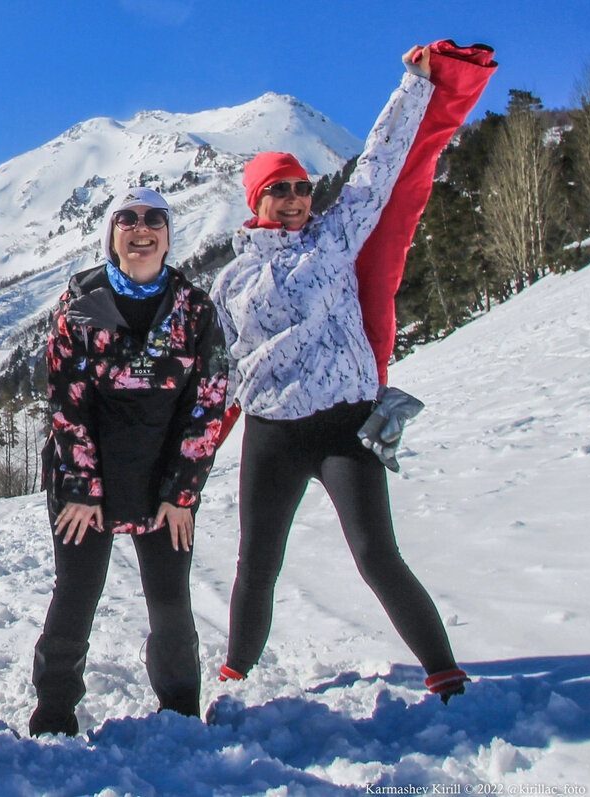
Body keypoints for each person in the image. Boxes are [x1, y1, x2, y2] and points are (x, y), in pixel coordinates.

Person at [210, 47, 470, 703]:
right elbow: (219, 366)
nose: (297, 198)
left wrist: (415, 84)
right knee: (257, 564)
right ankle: (235, 671)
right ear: (256, 201)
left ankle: (444, 670)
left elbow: (380, 165)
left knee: (377, 554)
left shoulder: (336, 236)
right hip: (271, 434)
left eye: (302, 186)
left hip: (343, 427)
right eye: (281, 189)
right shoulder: (229, 280)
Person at [29, 187, 229, 736]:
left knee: (169, 598)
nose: (141, 229)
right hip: (84, 481)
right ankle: (53, 711)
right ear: (111, 235)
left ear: (168, 235)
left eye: (153, 220)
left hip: (162, 481)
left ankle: (182, 707)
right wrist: (81, 489)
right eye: (127, 220)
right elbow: (66, 404)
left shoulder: (195, 309)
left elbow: (209, 401)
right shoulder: (79, 308)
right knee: (76, 593)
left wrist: (182, 492)